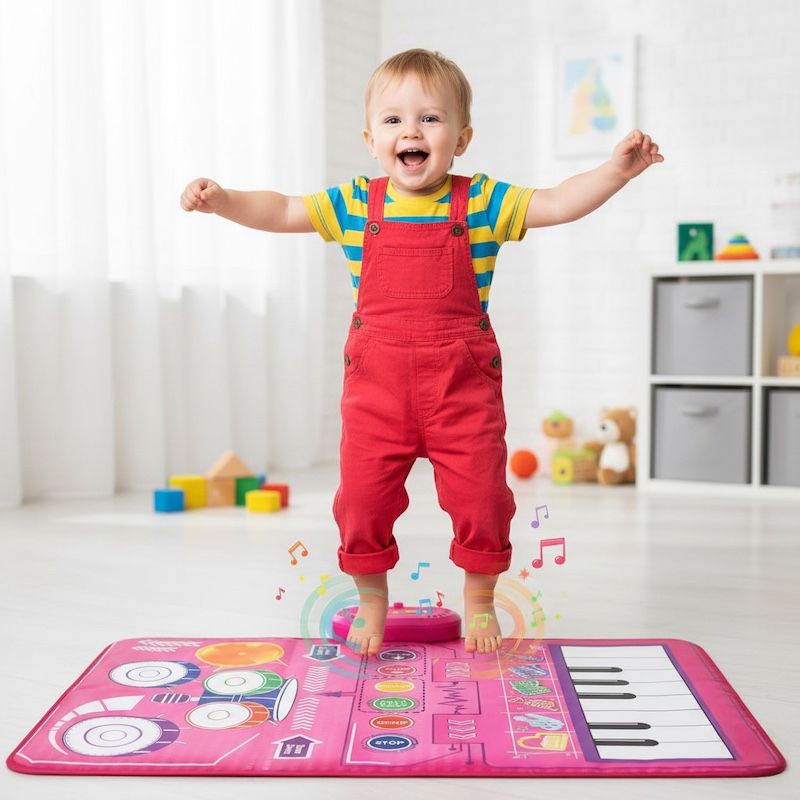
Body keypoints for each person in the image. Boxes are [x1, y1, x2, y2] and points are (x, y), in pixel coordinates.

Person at [180, 48, 663, 657]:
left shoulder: (481, 201)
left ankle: (480, 598)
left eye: (430, 119)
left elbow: (557, 201)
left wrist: (615, 172)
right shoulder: (355, 204)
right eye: (393, 120)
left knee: (484, 498)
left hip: (462, 389)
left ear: (461, 138)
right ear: (370, 139)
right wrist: (224, 200)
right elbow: (281, 209)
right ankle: (371, 599)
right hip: (376, 394)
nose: (411, 131)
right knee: (361, 502)